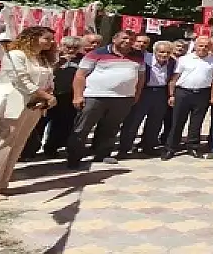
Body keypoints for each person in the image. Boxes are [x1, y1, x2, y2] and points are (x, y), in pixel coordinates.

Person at [0, 26, 57, 201]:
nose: (51, 42)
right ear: (32, 38)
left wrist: (47, 97)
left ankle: (1, 183)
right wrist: (45, 95)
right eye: (46, 38)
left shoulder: (42, 58)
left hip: (35, 103)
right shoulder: (16, 55)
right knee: (4, 142)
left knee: (19, 143)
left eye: (51, 39)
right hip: (14, 100)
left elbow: (48, 80)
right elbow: (21, 80)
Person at [68, 31, 144, 168]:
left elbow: (141, 77)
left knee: (111, 128)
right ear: (114, 39)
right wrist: (78, 95)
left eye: (131, 39)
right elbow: (80, 75)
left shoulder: (138, 56)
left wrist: (136, 94)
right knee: (83, 128)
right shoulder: (96, 53)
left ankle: (103, 154)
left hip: (123, 98)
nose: (128, 41)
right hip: (95, 96)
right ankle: (74, 157)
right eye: (124, 38)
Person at [22, 36, 82, 160]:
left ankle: (51, 148)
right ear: (62, 46)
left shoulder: (81, 60)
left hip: (67, 96)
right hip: (48, 95)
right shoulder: (51, 57)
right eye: (68, 47)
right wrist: (58, 63)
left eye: (74, 48)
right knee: (39, 123)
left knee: (62, 124)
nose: (71, 50)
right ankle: (29, 150)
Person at [118, 40, 176, 157]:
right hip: (144, 91)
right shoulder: (146, 58)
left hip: (161, 93)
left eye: (167, 52)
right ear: (155, 51)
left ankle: (148, 146)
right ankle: (124, 148)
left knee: (155, 121)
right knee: (134, 120)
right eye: (161, 52)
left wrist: (170, 95)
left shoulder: (172, 62)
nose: (164, 55)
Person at [164, 36, 213, 159]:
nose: (203, 48)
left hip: (203, 93)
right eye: (201, 45)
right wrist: (171, 94)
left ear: (210, 47)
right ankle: (170, 148)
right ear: (195, 45)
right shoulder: (184, 59)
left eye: (206, 46)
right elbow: (174, 78)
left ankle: (192, 147)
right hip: (183, 93)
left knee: (196, 122)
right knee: (177, 121)